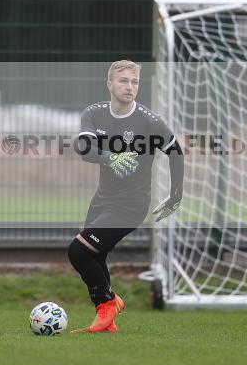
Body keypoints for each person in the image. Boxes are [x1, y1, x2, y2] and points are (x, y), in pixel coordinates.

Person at [69, 60, 184, 333]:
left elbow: (175, 150)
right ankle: (108, 322)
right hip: (103, 199)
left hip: (132, 205)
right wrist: (111, 157)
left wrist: (175, 195)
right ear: (110, 84)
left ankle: (108, 303)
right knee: (96, 257)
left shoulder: (150, 121)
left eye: (134, 82)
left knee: (78, 251)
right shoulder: (94, 114)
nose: (130, 86)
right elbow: (84, 148)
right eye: (123, 80)